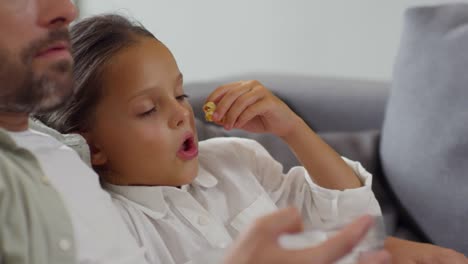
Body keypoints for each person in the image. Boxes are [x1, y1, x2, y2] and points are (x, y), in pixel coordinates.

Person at [0, 1, 390, 263]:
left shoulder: (237, 159)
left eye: (179, 93)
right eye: (148, 109)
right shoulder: (116, 223)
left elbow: (356, 216)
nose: (180, 114)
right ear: (92, 146)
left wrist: (293, 130)